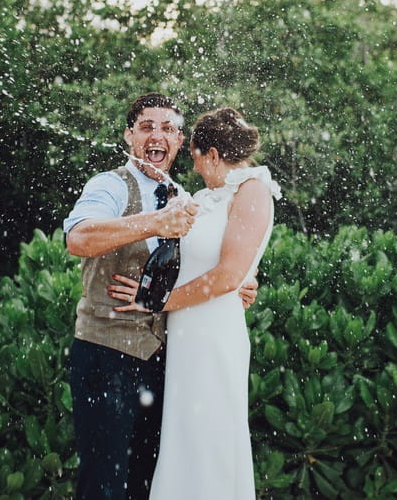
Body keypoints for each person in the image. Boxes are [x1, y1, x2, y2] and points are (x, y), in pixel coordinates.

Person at [63, 93, 258, 500]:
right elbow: (78, 238)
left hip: (164, 360)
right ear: (129, 135)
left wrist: (235, 286)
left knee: (147, 485)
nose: (157, 136)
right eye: (147, 127)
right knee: (102, 485)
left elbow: (204, 265)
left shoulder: (185, 196)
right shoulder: (110, 184)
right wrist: (154, 221)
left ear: (179, 139)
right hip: (106, 354)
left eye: (168, 128)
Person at [108, 107, 281, 499]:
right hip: (185, 337)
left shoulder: (253, 188)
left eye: (198, 157)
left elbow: (227, 275)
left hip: (213, 336)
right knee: (183, 437)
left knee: (210, 440)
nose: (196, 167)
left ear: (214, 154)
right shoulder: (206, 196)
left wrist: (156, 303)